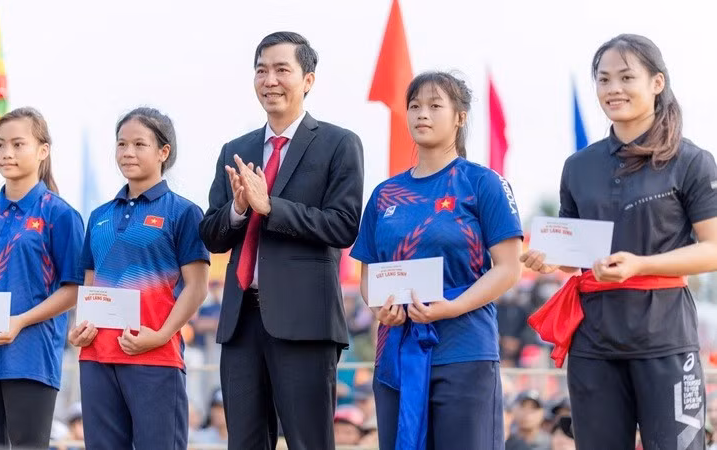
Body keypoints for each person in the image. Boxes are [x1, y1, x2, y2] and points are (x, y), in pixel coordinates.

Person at [523, 34, 717, 449]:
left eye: (627, 77)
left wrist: (641, 265)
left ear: (657, 83)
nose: (613, 89)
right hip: (592, 338)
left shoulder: (691, 160)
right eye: (604, 79)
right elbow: (573, 249)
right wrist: (549, 257)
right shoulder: (579, 166)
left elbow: (713, 249)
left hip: (664, 334)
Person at [198, 31, 364, 449]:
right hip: (241, 323)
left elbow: (343, 226)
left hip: (306, 323)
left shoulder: (338, 144)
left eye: (281, 70)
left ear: (307, 79)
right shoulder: (236, 149)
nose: (270, 80)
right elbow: (213, 236)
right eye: (261, 71)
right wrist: (239, 210)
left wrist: (270, 207)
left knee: (309, 440)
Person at [350, 71, 523, 449]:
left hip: (464, 350)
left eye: (434, 105)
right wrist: (380, 306)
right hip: (395, 351)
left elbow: (510, 267)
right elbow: (369, 272)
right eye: (414, 106)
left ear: (460, 117)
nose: (421, 115)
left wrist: (453, 306)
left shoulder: (482, 183)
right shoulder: (384, 193)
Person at [68, 107, 210, 450]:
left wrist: (161, 335)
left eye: (139, 144)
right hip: (97, 356)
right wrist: (79, 327)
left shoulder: (183, 213)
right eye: (121, 144)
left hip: (155, 356)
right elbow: (89, 285)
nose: (127, 152)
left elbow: (197, 287)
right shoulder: (99, 215)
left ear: (164, 152)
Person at [0, 107, 84, 448]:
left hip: (31, 358)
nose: (6, 153)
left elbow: (74, 290)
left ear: (42, 150)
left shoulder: (60, 214)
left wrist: (20, 321)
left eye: (18, 144)